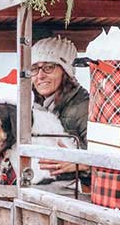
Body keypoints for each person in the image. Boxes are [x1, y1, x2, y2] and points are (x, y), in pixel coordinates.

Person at [30, 36, 89, 179]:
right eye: (34, 69)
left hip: (80, 190)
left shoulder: (83, 106)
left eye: (48, 67)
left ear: (66, 72)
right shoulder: (35, 106)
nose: (40, 75)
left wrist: (79, 164)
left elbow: (107, 156)